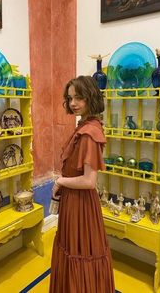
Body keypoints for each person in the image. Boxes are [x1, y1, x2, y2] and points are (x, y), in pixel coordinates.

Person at [49, 76, 115, 293]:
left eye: (79, 97)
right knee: (75, 250)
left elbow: (89, 181)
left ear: (90, 97)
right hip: (74, 201)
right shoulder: (86, 126)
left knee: (80, 252)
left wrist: (60, 180)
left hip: (81, 205)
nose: (73, 103)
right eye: (70, 98)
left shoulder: (89, 133)